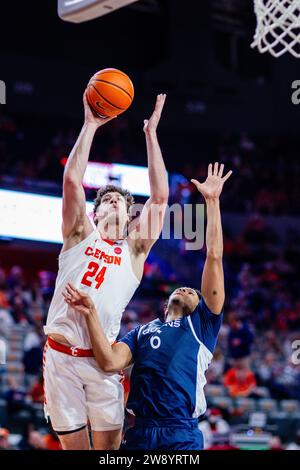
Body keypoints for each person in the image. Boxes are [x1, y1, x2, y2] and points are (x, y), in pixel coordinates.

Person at [62, 163, 232, 450]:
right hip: (140, 431)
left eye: (196, 293)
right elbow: (109, 362)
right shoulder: (141, 332)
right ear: (166, 302)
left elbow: (214, 256)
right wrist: (90, 314)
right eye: (185, 289)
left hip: (180, 431)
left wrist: (212, 202)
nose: (189, 289)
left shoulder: (202, 324)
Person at [43, 92, 169, 450]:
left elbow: (159, 199)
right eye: (106, 199)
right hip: (60, 358)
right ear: (95, 213)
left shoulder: (134, 250)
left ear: (131, 216)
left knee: (110, 455)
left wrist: (151, 134)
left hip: (102, 362)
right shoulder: (78, 233)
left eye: (121, 200)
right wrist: (90, 124)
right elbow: (71, 182)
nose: (114, 201)